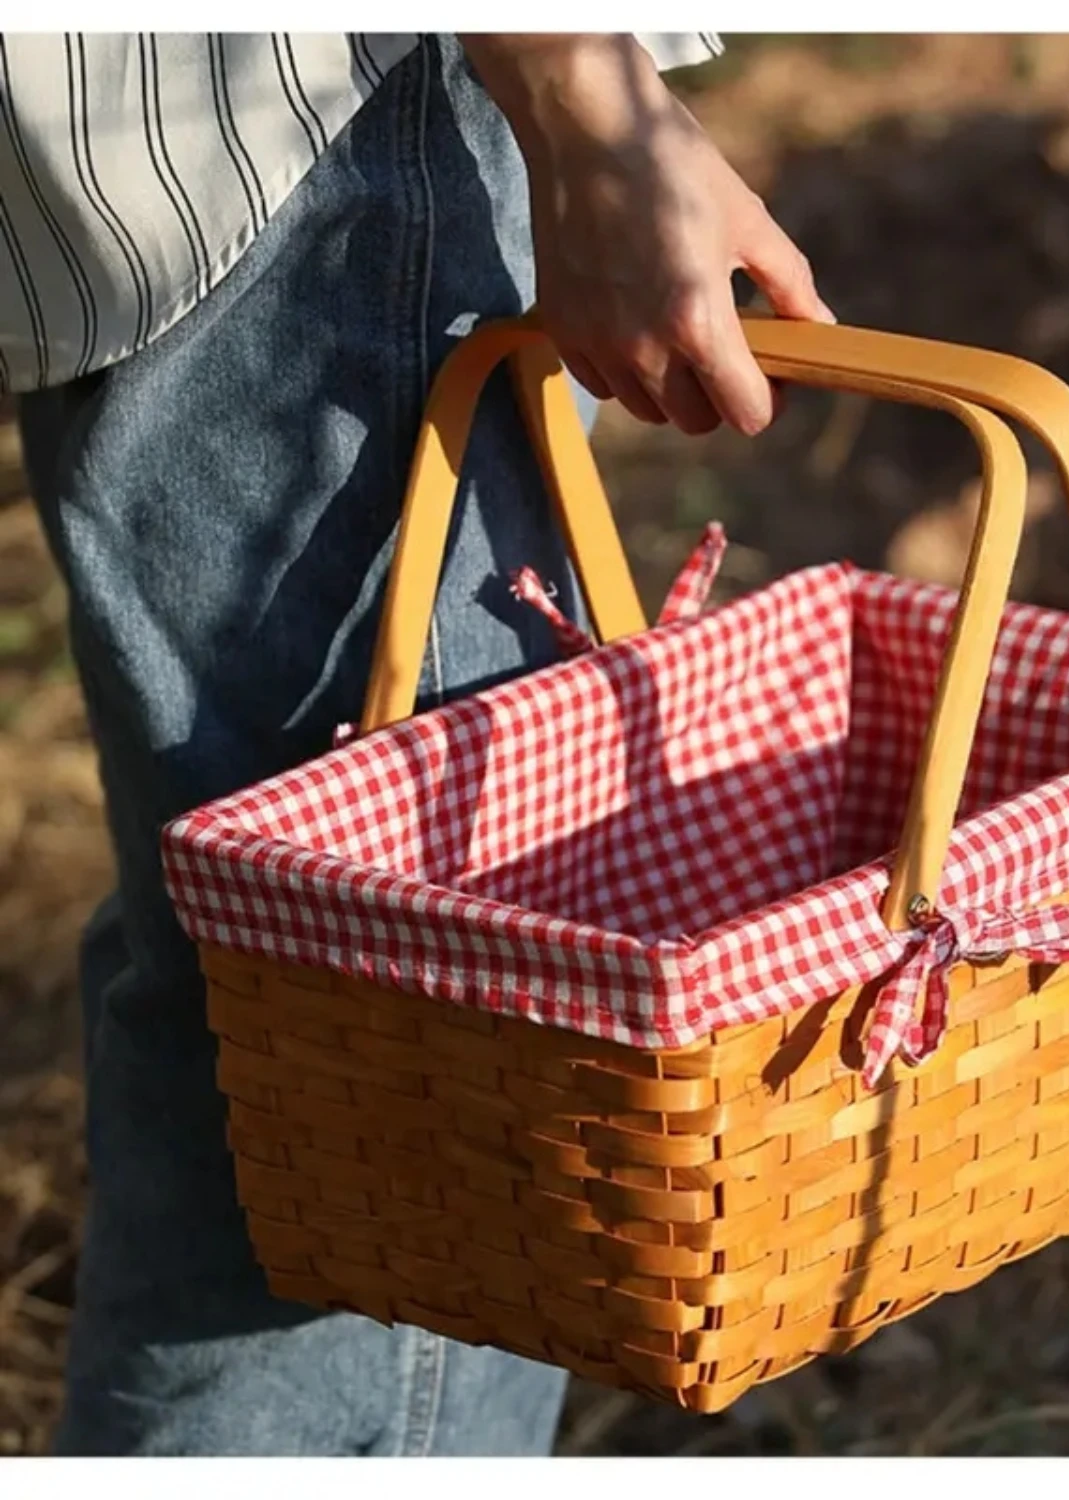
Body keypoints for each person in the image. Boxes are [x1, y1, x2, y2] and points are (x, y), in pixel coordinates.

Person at [2, 32, 831, 1456]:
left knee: (260, 1027)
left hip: (172, 155)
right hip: (329, 118)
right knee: (419, 1083)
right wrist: (584, 96)